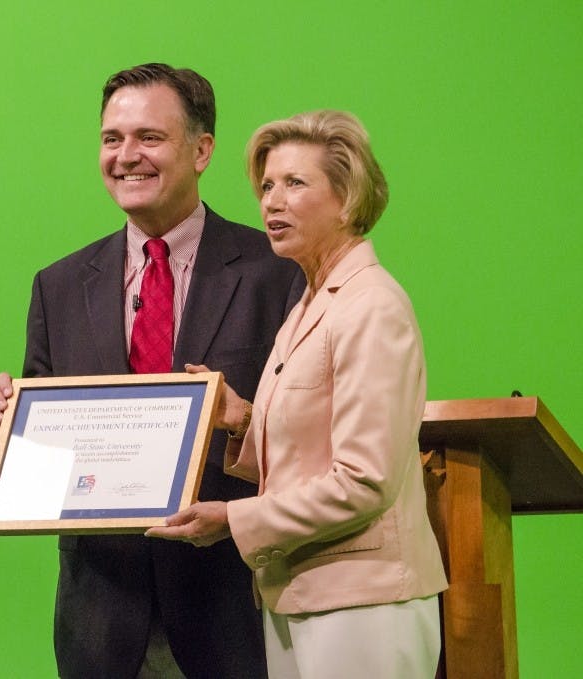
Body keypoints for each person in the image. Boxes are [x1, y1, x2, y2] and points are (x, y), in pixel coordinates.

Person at [0, 64, 304, 678]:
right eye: (112, 138)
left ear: (202, 149)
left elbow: (308, 439)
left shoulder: (275, 272)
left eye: (149, 137)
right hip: (101, 620)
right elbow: (46, 466)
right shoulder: (59, 286)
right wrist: (8, 430)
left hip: (233, 610)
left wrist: (241, 421)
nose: (126, 156)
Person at [146, 110, 448, 677]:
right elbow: (310, 454)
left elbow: (363, 481)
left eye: (294, 183)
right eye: (265, 186)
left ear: (347, 197)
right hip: (300, 596)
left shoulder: (370, 306)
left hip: (363, 602)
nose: (271, 202)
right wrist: (242, 420)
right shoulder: (310, 305)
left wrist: (236, 519)